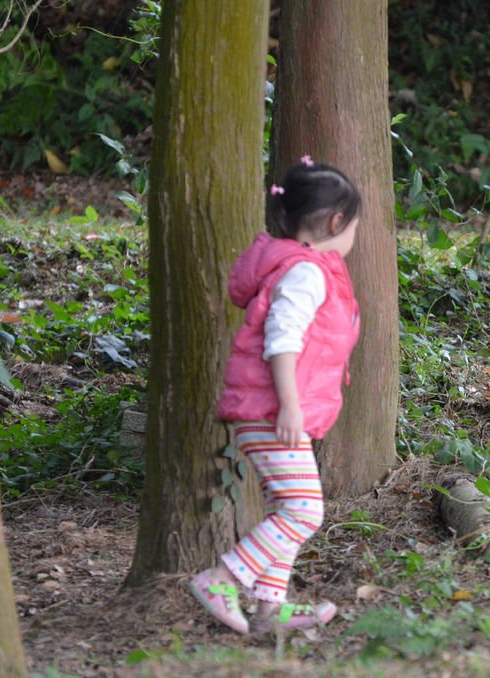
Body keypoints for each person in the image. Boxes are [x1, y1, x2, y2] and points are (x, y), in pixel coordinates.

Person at [189, 157, 361, 634]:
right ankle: (221, 578)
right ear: (334, 222)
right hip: (272, 413)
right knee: (305, 510)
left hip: (273, 412)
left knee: (286, 509)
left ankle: (269, 611)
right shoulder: (305, 273)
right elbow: (281, 341)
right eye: (354, 229)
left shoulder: (301, 267)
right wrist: (289, 404)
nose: (353, 241)